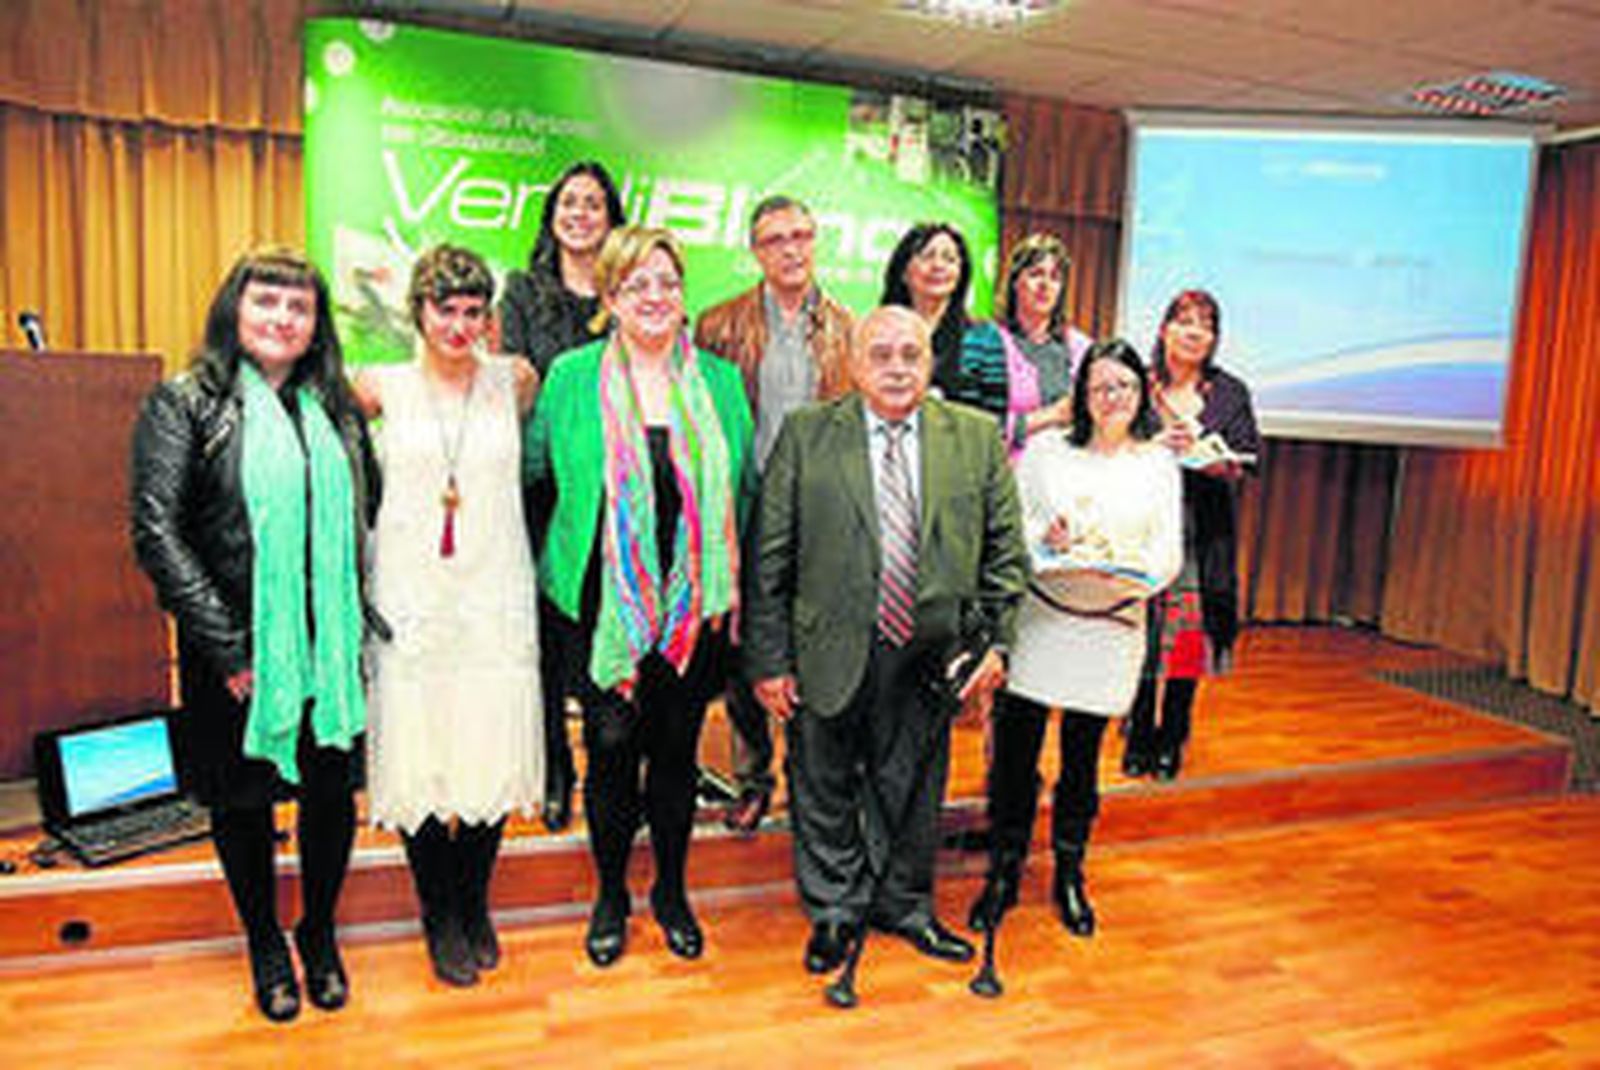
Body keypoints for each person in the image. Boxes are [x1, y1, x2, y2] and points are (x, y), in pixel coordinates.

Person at [130, 248, 377, 1023]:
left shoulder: (335, 407)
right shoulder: (187, 402)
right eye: (266, 302)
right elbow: (156, 530)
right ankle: (265, 940)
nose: (281, 318)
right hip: (234, 651)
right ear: (235, 310)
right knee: (241, 804)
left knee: (331, 794)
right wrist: (230, 648)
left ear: (316, 325)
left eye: (298, 307)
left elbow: (365, 515)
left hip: (328, 648)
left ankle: (319, 931)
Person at [747, 305, 1027, 976]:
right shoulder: (807, 434)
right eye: (882, 354)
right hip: (828, 646)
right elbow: (769, 560)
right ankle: (835, 911)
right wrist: (769, 659)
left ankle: (905, 905)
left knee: (915, 787)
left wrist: (997, 645)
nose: (898, 367)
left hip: (931, 652)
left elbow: (1005, 556)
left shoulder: (976, 437)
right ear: (852, 362)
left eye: (911, 353)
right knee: (822, 782)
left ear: (930, 362)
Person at [525, 226, 755, 968]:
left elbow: (742, 491)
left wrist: (737, 583)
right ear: (610, 298)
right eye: (635, 285)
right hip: (599, 605)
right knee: (613, 748)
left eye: (667, 282)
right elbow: (536, 475)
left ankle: (672, 892)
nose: (654, 297)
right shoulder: (569, 377)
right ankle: (609, 894)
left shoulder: (719, 381)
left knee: (679, 754)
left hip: (696, 606)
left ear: (682, 295)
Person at [356, 245, 542, 988]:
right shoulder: (378, 386)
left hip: (495, 588)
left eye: (472, 312)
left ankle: (474, 899)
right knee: (422, 750)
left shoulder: (517, 381)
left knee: (491, 745)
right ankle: (438, 908)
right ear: (418, 312)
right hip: (412, 592)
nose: (459, 326)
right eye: (445, 310)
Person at [967, 339, 1181, 938]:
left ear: (1140, 394)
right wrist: (1049, 538)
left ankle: (1069, 871)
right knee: (1015, 756)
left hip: (1112, 626)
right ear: (1080, 395)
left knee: (1082, 762)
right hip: (1044, 619)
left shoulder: (1157, 463)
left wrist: (1126, 574)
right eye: (1099, 387)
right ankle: (1003, 871)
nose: (1112, 398)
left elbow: (1167, 555)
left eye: (1124, 387)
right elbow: (1015, 533)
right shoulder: (1044, 453)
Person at [693, 193, 855, 835]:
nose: (791, 248)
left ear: (815, 242)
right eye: (775, 239)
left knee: (813, 647)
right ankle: (752, 777)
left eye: (801, 235)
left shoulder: (848, 327)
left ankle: (808, 781)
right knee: (744, 652)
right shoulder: (718, 325)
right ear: (756, 251)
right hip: (746, 505)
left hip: (819, 511)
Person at [498, 160, 628, 832]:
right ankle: (555, 767)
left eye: (594, 204)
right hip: (544, 485)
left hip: (619, 492)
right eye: (569, 202)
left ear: (612, 218)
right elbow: (517, 380)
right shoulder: (522, 292)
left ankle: (613, 763)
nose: (580, 214)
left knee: (615, 625)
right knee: (549, 634)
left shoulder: (631, 291)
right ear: (553, 215)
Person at [1121, 289, 1260, 781]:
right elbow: (1108, 443)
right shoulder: (1138, 383)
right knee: (1136, 631)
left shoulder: (1229, 393)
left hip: (1200, 530)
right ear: (1164, 329)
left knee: (1184, 642)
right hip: (1139, 527)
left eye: (1205, 325)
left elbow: (1247, 459)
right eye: (1184, 321)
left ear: (1214, 339)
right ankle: (1136, 730)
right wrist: (1154, 445)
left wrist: (1218, 461)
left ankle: (1172, 734)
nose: (1194, 331)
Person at [948, 233, 1094, 457]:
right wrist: (1050, 416)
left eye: (1055, 277)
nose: (1045, 285)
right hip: (1003, 474)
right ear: (1015, 281)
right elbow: (971, 426)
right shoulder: (984, 341)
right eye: (1035, 274)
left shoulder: (1081, 348)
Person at [880, 222, 973, 398]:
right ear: (903, 272)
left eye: (950, 259)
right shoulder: (878, 331)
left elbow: (991, 415)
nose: (938, 266)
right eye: (927, 256)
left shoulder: (980, 338)